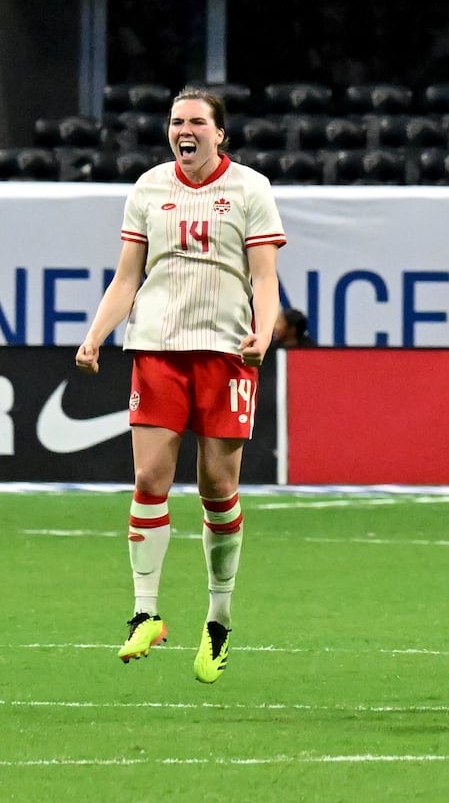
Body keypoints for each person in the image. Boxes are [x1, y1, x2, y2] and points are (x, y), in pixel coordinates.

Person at [74, 85, 285, 685]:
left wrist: (264, 331)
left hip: (225, 353)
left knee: (218, 485)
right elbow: (127, 276)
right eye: (175, 121)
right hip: (157, 349)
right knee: (148, 478)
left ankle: (218, 619)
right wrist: (96, 335)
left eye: (195, 121)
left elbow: (265, 276)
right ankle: (146, 612)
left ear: (220, 133)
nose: (183, 130)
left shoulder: (250, 189)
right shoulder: (149, 188)